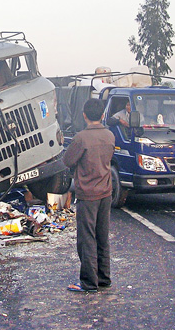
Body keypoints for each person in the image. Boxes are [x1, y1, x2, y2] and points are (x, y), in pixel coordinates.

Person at [63, 99, 115, 292]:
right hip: (106, 192)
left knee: (87, 238)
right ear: (102, 115)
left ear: (84, 115)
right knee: (102, 237)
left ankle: (88, 282)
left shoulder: (81, 138)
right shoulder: (110, 136)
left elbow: (68, 161)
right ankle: (104, 278)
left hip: (88, 193)